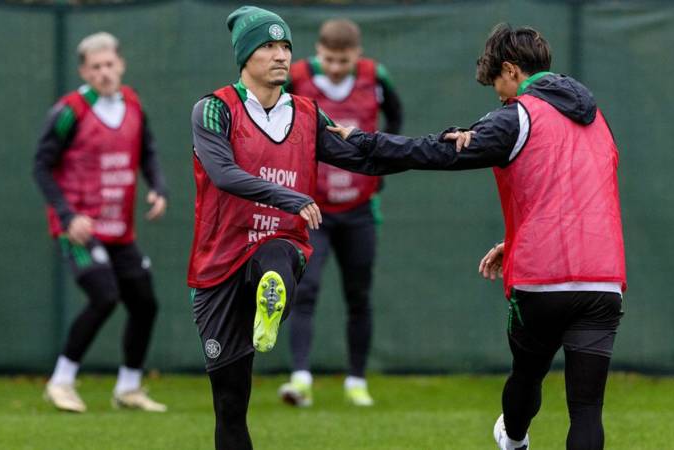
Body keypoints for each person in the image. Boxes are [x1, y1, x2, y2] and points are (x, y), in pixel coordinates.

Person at [328, 24, 626, 450]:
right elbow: (580, 191)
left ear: (511, 69)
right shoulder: (596, 117)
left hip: (541, 279)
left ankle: (514, 442)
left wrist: (362, 139)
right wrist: (516, 239)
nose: (500, 95)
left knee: (527, 375)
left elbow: (435, 151)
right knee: (586, 409)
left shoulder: (517, 116)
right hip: (602, 278)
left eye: (498, 84)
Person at [188, 7, 411, 449]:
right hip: (217, 265)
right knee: (231, 409)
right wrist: (292, 197)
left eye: (285, 46)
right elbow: (223, 173)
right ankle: (270, 299)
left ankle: (272, 295)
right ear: (246, 55)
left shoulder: (307, 113)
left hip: (279, 240)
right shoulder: (213, 110)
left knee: (279, 251)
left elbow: (363, 151)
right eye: (268, 46)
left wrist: (447, 147)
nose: (280, 55)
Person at [33, 32, 168, 413]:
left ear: (121, 64)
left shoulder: (133, 104)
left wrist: (158, 187)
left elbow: (149, 151)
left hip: (119, 230)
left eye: (110, 64)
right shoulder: (69, 112)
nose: (105, 73)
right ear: (83, 71)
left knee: (145, 303)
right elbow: (41, 166)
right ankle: (60, 382)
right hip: (79, 227)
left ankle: (129, 388)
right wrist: (67, 216)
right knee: (105, 296)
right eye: (96, 67)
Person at [279, 18, 404, 407]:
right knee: (305, 288)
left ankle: (355, 380)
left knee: (358, 294)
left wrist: (381, 164)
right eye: (329, 59)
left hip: (360, 207)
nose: (336, 67)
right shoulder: (296, 77)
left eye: (343, 59)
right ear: (318, 52)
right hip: (311, 207)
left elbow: (396, 118)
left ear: (358, 54)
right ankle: (300, 378)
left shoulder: (374, 77)